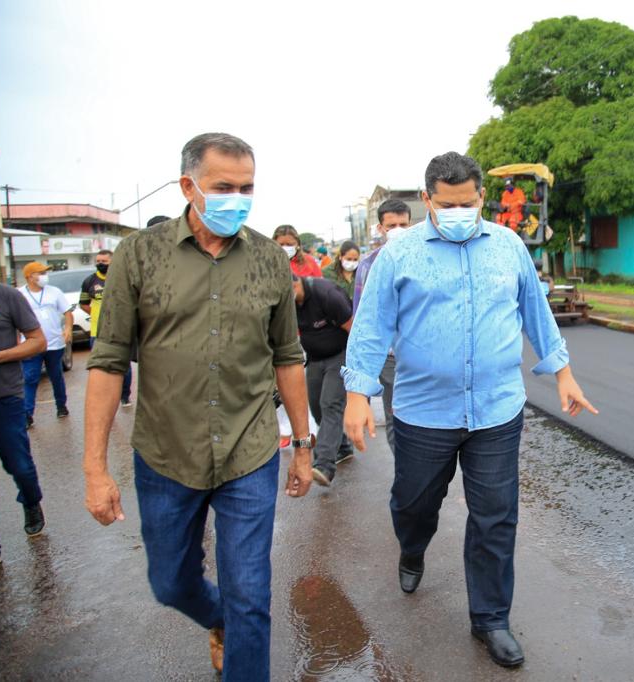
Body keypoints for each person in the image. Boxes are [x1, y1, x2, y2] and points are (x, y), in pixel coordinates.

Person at [343, 152, 597, 668]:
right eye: (446, 204)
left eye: (467, 203)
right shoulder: (399, 254)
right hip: (423, 413)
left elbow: (535, 310)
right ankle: (412, 546)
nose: (458, 212)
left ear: (482, 197)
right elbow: (371, 326)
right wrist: (357, 395)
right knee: (413, 504)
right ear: (427, 200)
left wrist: (563, 371)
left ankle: (491, 619)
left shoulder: (508, 246)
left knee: (496, 517)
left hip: (496, 411)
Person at [83, 132, 315, 680]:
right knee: (170, 583)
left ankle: (239, 634)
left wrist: (303, 446)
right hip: (166, 455)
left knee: (250, 595)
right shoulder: (139, 254)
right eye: (223, 187)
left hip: (248, 452)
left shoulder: (269, 259)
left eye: (247, 188)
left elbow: (287, 356)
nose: (238, 198)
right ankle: (218, 619)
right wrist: (95, 468)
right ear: (189, 186)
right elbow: (109, 360)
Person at [0, 240, 48, 583]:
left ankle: (31, 499)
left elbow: (37, 341)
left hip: (4, 398)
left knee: (19, 466)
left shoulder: (6, 297)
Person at [351, 198, 412, 453]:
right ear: (380, 228)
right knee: (396, 416)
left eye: (403, 224)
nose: (398, 230)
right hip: (390, 356)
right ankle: (404, 470)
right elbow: (362, 318)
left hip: (421, 353)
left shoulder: (426, 258)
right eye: (391, 225)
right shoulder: (368, 265)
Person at [295, 275, 353, 486]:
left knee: (330, 404)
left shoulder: (327, 294)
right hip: (315, 359)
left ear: (294, 283)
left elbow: (354, 329)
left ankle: (324, 465)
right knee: (316, 407)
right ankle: (343, 446)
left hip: (340, 354)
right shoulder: (288, 304)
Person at [18, 261, 73, 425]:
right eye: (41, 273)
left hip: (54, 343)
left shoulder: (54, 292)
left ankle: (61, 406)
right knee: (30, 378)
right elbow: (12, 317)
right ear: (30, 276)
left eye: (45, 273)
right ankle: (27, 415)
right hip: (30, 345)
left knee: (56, 376)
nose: (44, 276)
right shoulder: (19, 294)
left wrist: (68, 329)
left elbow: (67, 312)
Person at [80, 249, 133, 407]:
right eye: (98, 261)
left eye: (104, 261)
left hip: (120, 330)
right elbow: (83, 304)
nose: (100, 264)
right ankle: (105, 399)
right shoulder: (89, 281)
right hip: (97, 331)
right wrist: (98, 314)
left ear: (112, 261)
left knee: (124, 364)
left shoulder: (123, 278)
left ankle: (125, 395)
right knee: (100, 366)